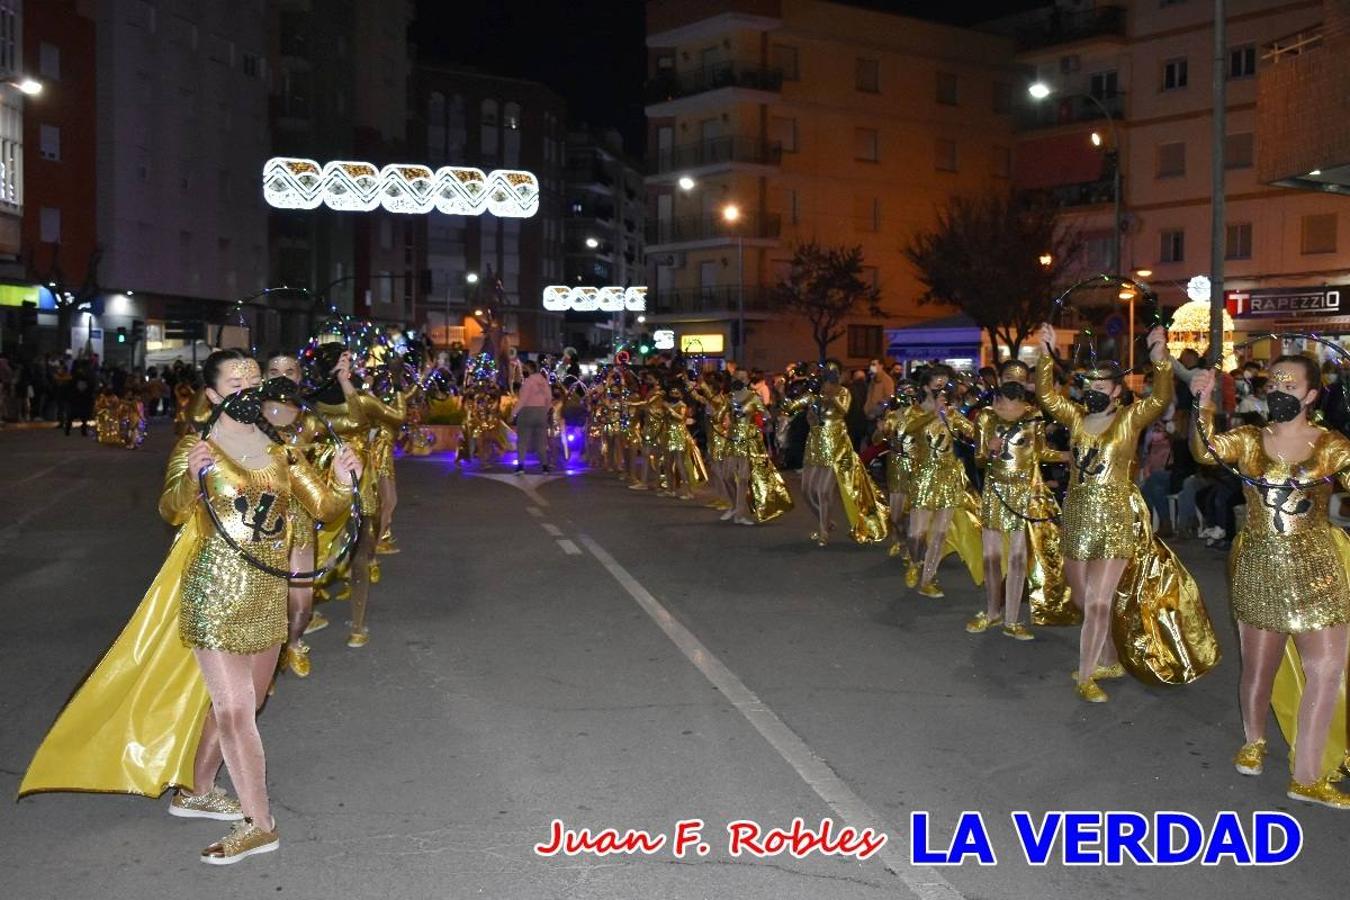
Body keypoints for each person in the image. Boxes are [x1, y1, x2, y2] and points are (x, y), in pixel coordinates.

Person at [21, 350, 360, 864]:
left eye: (254, 377)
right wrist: (190, 478)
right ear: (214, 395)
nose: (248, 385)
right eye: (236, 380)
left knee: (249, 702)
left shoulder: (284, 450)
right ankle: (260, 824)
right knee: (233, 708)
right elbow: (171, 509)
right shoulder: (196, 447)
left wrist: (342, 475)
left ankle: (198, 791)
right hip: (213, 593)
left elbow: (328, 508)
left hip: (265, 595)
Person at [1191, 361, 1350, 808]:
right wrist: (1201, 403)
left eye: (1290, 385)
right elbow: (1205, 452)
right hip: (1260, 567)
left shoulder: (1333, 445)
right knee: (1259, 670)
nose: (1278, 390)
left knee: (1327, 670)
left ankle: (1307, 776)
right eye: (1273, 383)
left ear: (1312, 396)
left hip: (1317, 568)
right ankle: (1254, 739)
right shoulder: (1247, 438)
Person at [1036, 323, 1218, 702]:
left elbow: (1159, 399)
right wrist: (1045, 353)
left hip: (1115, 516)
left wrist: (1160, 360)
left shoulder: (1128, 420)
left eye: (1101, 388)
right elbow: (1047, 397)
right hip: (1077, 517)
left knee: (1100, 601)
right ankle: (1110, 658)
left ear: (1117, 391)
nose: (1092, 394)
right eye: (1088, 387)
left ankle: (1086, 676)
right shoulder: (1074, 419)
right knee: (1082, 598)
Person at [965, 360, 1066, 639]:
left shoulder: (1034, 417)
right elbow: (979, 460)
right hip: (995, 491)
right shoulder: (985, 417)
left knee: (1019, 558)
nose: (1007, 408)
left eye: (1014, 402)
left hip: (1023, 494)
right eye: (1002, 402)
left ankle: (1011, 619)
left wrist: (1068, 456)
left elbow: (1042, 453)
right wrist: (989, 449)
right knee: (991, 557)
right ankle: (992, 612)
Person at [782, 368, 888, 546]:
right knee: (807, 491)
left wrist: (829, 398)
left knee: (824, 491)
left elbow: (843, 409)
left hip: (835, 444)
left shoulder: (843, 392)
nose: (829, 381)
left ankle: (824, 530)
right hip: (815, 444)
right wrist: (787, 396)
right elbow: (791, 407)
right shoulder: (814, 394)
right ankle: (827, 522)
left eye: (833, 376)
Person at [724, 371, 792, 524]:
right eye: (737, 377)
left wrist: (757, 419)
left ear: (748, 379)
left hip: (748, 438)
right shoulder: (730, 397)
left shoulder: (753, 397)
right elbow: (721, 414)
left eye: (743, 377)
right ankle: (735, 506)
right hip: (732, 438)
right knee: (727, 475)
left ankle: (740, 514)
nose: (740, 380)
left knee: (742, 478)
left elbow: (767, 415)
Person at [514, 360, 552, 474]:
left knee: (522, 440)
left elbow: (523, 400)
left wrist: (513, 413)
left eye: (525, 368)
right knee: (541, 441)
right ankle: (545, 466)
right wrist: (545, 410)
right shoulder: (544, 381)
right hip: (541, 413)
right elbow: (549, 397)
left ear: (530, 369)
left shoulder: (528, 382)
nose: (524, 370)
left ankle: (520, 466)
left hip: (527, 412)